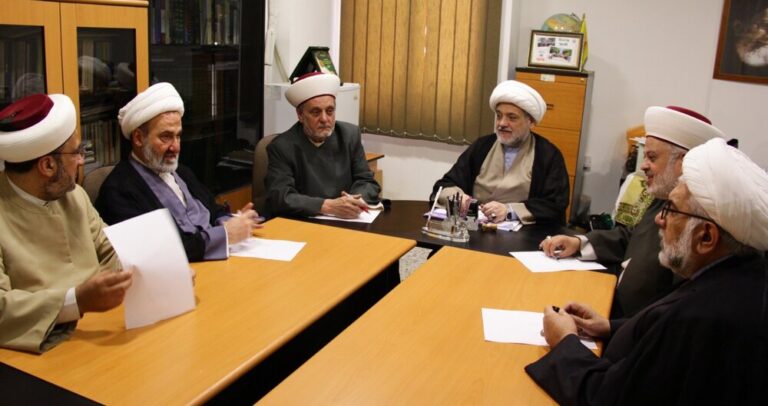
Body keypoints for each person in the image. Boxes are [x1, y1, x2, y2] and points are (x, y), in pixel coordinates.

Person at [526, 137, 768, 405]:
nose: (659, 220)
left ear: (706, 237)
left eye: (672, 210)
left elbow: (607, 396)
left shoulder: (700, 317)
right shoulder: (736, 274)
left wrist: (564, 342)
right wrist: (609, 327)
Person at [540, 106, 724, 317]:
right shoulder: (662, 197)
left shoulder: (695, 219)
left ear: (683, 162)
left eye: (652, 158)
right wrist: (579, 243)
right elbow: (634, 237)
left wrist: (613, 328)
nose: (643, 166)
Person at [0, 94, 133, 353]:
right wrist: (76, 301)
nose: (82, 160)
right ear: (48, 165)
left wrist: (163, 269)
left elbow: (112, 247)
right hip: (41, 348)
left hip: (101, 328)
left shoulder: (74, 195)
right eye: (77, 152)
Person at [95, 83, 261, 262]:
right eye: (166, 137)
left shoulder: (181, 172)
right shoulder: (118, 190)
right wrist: (225, 234)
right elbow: (158, 252)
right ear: (138, 138)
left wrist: (234, 221)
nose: (175, 147)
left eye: (178, 136)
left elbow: (212, 210)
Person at [430, 80, 569, 225]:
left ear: (531, 122)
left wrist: (509, 211)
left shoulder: (547, 155)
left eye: (512, 117)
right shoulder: (482, 146)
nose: (502, 123)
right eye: (499, 116)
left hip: (522, 232)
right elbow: (446, 184)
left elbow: (554, 203)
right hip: (474, 226)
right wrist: (458, 197)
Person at [265, 72, 380, 219]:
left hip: (346, 219)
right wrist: (327, 206)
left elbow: (367, 181)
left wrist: (353, 201)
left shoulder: (349, 136)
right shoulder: (282, 147)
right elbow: (281, 197)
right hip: (304, 222)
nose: (325, 119)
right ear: (300, 115)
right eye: (316, 112)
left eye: (330, 111)